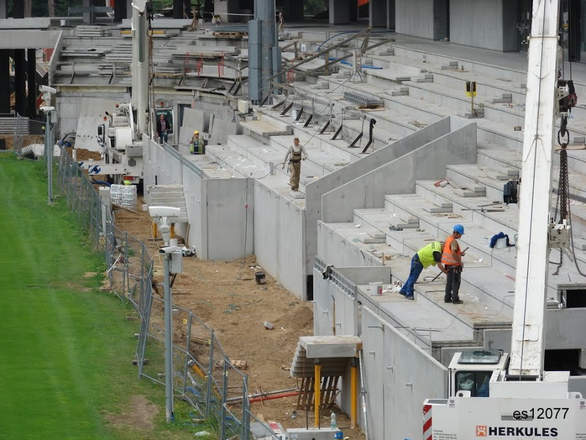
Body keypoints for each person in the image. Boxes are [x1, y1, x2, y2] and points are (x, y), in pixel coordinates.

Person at [442, 224, 466, 304]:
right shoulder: (453, 241)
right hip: (454, 265)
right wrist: (459, 262)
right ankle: (455, 299)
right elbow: (453, 253)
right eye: (460, 234)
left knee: (449, 282)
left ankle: (447, 298)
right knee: (456, 282)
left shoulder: (448, 239)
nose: (460, 236)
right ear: (456, 233)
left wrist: (459, 253)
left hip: (448, 265)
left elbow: (451, 251)